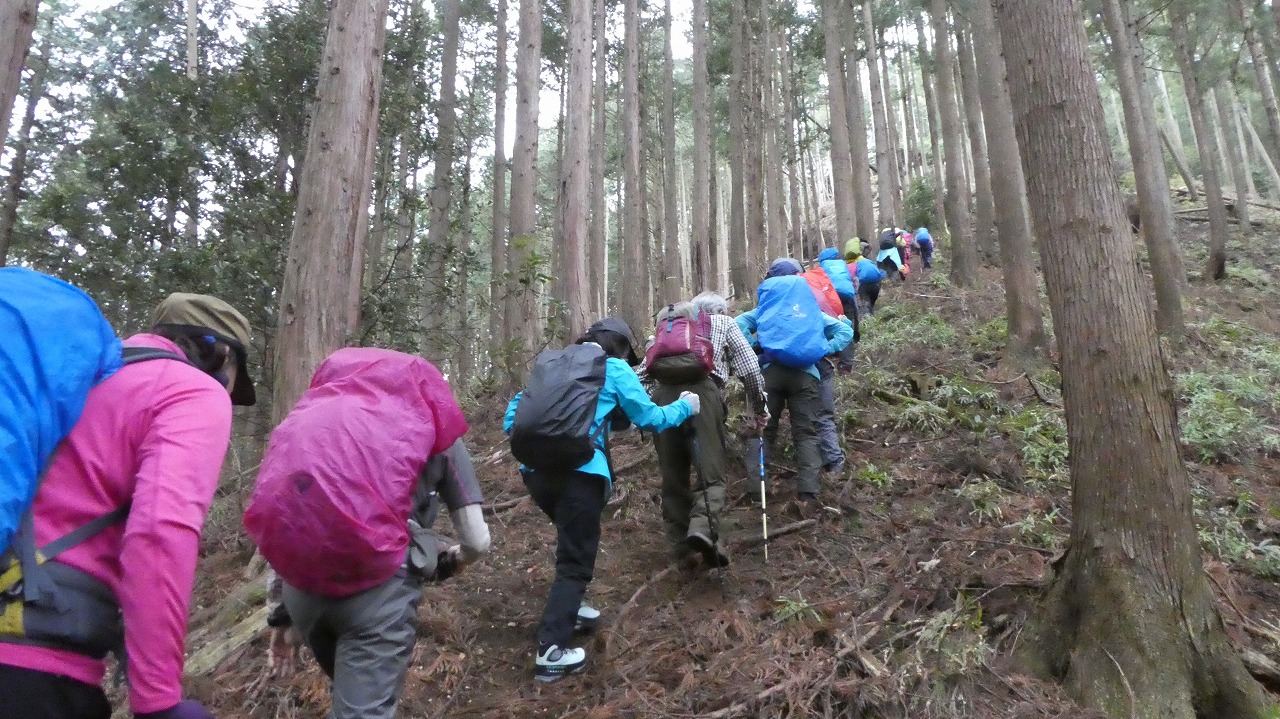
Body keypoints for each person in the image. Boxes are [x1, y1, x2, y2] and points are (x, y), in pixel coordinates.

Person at [0, 293, 256, 719]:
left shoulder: (79, 374)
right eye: (234, 380)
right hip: (36, 668)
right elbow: (159, 534)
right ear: (221, 355)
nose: (228, 394)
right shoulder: (191, 390)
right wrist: (158, 701)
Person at [246, 348, 487, 719]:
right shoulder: (436, 431)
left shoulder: (308, 424)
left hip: (302, 597)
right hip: (380, 594)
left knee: (350, 696)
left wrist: (281, 615)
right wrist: (453, 560)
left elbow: (286, 520)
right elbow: (477, 540)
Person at [505, 317, 698, 682]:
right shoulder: (614, 369)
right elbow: (651, 418)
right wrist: (686, 406)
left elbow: (512, 419)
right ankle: (551, 651)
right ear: (619, 347)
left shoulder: (550, 364)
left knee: (571, 542)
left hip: (536, 475)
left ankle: (569, 607)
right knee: (576, 562)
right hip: (581, 476)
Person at [642, 292, 767, 568]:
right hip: (704, 397)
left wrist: (650, 407)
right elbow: (750, 369)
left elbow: (642, 375)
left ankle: (681, 549)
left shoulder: (663, 332)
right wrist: (760, 408)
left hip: (664, 399)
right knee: (711, 474)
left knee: (673, 476)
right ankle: (701, 529)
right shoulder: (723, 323)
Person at [736, 259, 854, 510]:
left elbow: (739, 325)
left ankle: (757, 491)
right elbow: (845, 332)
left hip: (770, 373)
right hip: (805, 375)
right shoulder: (810, 308)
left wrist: (758, 347)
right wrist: (823, 349)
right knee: (806, 433)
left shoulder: (766, 307)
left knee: (763, 430)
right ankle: (808, 493)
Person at [848, 250, 887, 316]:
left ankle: (867, 317)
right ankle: (872, 315)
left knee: (865, 304)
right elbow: (880, 273)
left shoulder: (854, 264)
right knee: (872, 303)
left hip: (864, 285)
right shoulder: (869, 261)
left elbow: (852, 277)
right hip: (876, 285)